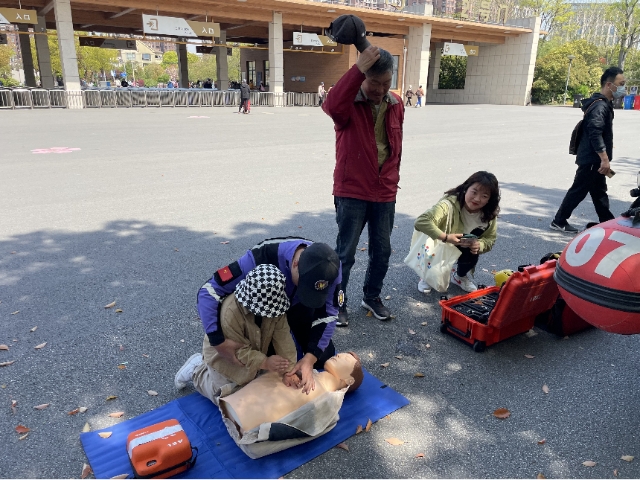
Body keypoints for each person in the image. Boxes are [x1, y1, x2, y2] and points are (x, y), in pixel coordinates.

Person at [181, 238, 342, 395]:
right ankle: (198, 368)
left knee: (322, 357)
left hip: (290, 311)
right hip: (259, 313)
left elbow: (329, 314)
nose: (306, 292)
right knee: (254, 379)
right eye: (304, 286)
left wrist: (309, 359)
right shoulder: (260, 257)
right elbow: (208, 292)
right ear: (295, 263)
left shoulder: (331, 267)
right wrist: (218, 341)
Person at [322, 44, 404, 326]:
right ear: (362, 78)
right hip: (352, 191)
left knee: (382, 251)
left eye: (386, 83)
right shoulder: (347, 105)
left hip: (385, 190)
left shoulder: (396, 104)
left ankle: (372, 295)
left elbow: (395, 147)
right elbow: (330, 105)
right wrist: (356, 69)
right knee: (345, 253)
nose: (381, 89)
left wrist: (393, 178)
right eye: (374, 82)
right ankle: (338, 301)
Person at [175, 264, 298, 395]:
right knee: (225, 398)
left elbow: (283, 338)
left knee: (261, 389)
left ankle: (249, 373)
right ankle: (197, 370)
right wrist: (265, 362)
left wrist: (289, 370)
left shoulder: (276, 306)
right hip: (226, 355)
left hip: (251, 351)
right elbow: (237, 350)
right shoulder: (230, 312)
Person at [218, 352, 363, 458]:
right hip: (230, 404)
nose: (339, 355)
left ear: (349, 380)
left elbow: (304, 427)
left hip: (244, 426)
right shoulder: (309, 371)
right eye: (342, 354)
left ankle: (195, 366)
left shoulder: (328, 402)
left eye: (345, 359)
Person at [551, 67, 626, 233]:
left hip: (592, 159)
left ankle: (607, 222)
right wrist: (604, 159)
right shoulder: (600, 107)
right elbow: (595, 133)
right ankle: (559, 220)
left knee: (599, 192)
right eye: (621, 84)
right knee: (579, 190)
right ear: (609, 85)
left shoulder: (601, 104)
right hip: (592, 159)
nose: (623, 88)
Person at [413, 171, 500, 293]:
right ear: (466, 188)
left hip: (465, 243)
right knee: (436, 249)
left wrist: (479, 245)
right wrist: (445, 237)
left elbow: (490, 238)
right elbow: (421, 221)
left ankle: (459, 276)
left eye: (484, 196)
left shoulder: (489, 214)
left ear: (490, 199)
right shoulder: (448, 204)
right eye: (474, 192)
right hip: (441, 241)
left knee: (472, 253)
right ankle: (427, 276)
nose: (477, 199)